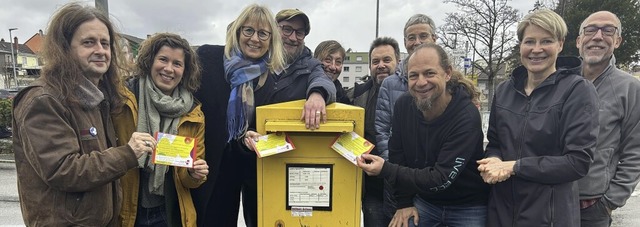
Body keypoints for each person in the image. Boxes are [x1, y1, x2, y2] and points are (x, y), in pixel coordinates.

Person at [11, 3, 151, 226]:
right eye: (88, 42)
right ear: (64, 48)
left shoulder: (95, 97)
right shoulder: (43, 99)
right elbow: (63, 170)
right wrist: (127, 153)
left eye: (105, 43)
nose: (100, 50)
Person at [477, 9, 599, 226]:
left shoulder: (578, 90)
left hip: (549, 217)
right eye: (529, 41)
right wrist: (494, 160)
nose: (536, 49)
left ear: (560, 44)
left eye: (546, 41)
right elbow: (495, 142)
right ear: (521, 45)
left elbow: (577, 162)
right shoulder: (505, 90)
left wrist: (515, 166)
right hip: (501, 213)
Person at [357, 43, 489, 227]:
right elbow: (398, 156)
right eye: (414, 75)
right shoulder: (404, 105)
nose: (421, 82)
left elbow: (441, 178)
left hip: (467, 206)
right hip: (426, 202)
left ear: (447, 73)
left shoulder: (466, 116)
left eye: (429, 73)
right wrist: (404, 203)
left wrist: (385, 169)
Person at [190, 4, 287, 227]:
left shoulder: (270, 80)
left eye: (263, 33)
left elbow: (270, 132)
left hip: (241, 167)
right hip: (202, 164)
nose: (255, 39)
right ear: (237, 31)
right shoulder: (207, 57)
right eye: (248, 30)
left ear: (271, 39)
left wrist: (254, 140)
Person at [112, 33, 209, 227]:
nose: (169, 69)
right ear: (150, 61)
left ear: (185, 70)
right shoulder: (123, 99)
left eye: (177, 63)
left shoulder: (193, 113)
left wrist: (194, 174)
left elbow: (188, 180)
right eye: (163, 59)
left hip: (168, 212)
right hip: (126, 210)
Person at [575, 11, 640, 227]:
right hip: (546, 200)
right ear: (578, 41)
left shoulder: (630, 89)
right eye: (591, 29)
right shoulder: (562, 81)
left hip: (591, 208)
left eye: (608, 30)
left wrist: (610, 201)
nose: (598, 36)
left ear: (618, 40)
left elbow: (635, 151)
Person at [375, 13, 438, 220]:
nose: (417, 42)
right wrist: (393, 171)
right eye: (411, 38)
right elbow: (382, 131)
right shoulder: (390, 84)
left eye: (423, 36)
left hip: (436, 176)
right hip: (399, 180)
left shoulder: (446, 78)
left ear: (434, 39)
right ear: (405, 43)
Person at [348, 36, 400, 226]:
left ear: (398, 62)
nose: (381, 65)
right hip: (373, 191)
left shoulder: (412, 92)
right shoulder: (358, 95)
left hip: (404, 190)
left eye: (387, 60)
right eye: (375, 61)